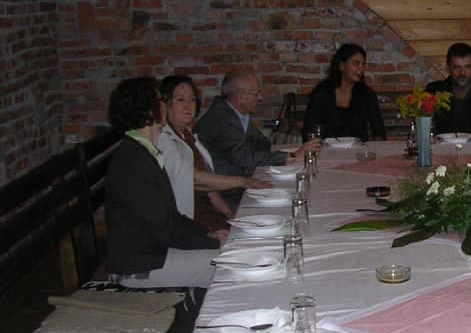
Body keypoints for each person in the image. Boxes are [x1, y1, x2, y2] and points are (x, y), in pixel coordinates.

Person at [104, 76, 225, 288]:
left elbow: (170, 217)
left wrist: (207, 234)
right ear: (149, 109)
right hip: (139, 265)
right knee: (230, 266)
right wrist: (212, 242)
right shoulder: (134, 161)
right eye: (161, 100)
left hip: (153, 252)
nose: (165, 105)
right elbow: (164, 227)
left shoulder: (144, 151)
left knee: (229, 254)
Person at [156, 75, 268, 230]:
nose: (188, 106)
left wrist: (229, 215)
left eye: (192, 99)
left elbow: (210, 191)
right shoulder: (163, 138)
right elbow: (193, 178)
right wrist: (243, 181)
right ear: (164, 105)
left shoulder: (188, 135)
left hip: (209, 210)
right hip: (187, 219)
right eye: (180, 100)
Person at [195, 68, 318, 209]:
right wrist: (292, 156)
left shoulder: (237, 113)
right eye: (256, 94)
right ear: (241, 97)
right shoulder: (224, 119)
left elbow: (263, 143)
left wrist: (288, 155)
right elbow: (245, 158)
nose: (260, 98)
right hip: (227, 194)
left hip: (240, 183)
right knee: (291, 201)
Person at [302, 43, 386, 141]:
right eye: (356, 63)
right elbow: (309, 130)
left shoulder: (367, 94)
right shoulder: (322, 92)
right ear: (341, 66)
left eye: (363, 64)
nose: (361, 69)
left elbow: (379, 131)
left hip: (358, 148)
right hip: (326, 149)